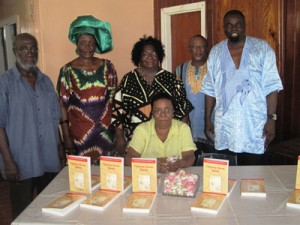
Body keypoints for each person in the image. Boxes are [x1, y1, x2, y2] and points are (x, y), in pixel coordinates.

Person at [201, 10, 283, 165]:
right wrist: (207, 121)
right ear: (224, 27)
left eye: (238, 24)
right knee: (227, 175)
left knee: (253, 177)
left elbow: (272, 86)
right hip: (225, 125)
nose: (234, 28)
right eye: (229, 25)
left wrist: (271, 119)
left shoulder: (262, 48)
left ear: (245, 26)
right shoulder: (216, 52)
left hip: (254, 125)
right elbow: (210, 89)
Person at [0, 33, 64, 219]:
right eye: (24, 48)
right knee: (22, 212)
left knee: (50, 209)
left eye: (33, 48)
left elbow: (54, 119)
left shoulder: (46, 81)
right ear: (15, 52)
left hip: (49, 158)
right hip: (21, 162)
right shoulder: (4, 83)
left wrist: (59, 149)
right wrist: (8, 162)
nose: (30, 52)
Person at [111, 36, 193, 157]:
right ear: (138, 56)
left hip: (167, 140)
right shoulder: (128, 80)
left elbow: (183, 111)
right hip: (135, 142)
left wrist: (183, 139)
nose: (150, 57)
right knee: (140, 172)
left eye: (154, 53)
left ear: (159, 56)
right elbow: (117, 110)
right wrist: (119, 137)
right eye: (145, 54)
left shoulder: (172, 79)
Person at [57, 15, 118, 164]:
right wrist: (66, 136)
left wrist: (118, 131)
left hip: (106, 133)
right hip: (80, 135)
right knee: (82, 179)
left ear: (96, 45)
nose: (88, 47)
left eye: (91, 43)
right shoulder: (67, 70)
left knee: (108, 176)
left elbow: (115, 99)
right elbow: (62, 104)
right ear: (76, 45)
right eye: (83, 43)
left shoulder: (108, 66)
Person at [125, 93, 196, 173]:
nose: (163, 114)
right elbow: (129, 159)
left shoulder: (183, 128)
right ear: (152, 112)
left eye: (167, 110)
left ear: (173, 111)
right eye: (158, 111)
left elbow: (189, 157)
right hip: (147, 176)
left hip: (175, 177)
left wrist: (179, 163)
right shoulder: (142, 129)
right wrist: (151, 165)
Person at [175, 34, 214, 160]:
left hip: (212, 123)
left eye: (202, 47)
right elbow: (179, 98)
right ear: (189, 49)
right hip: (189, 124)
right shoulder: (180, 69)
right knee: (191, 159)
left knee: (213, 161)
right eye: (194, 47)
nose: (198, 50)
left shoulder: (214, 68)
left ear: (207, 48)